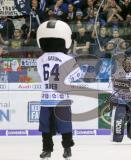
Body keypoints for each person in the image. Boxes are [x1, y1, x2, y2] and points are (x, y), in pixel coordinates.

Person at [36, 20, 75, 159]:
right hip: (62, 98)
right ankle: (67, 149)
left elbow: (41, 76)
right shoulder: (68, 59)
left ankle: (47, 150)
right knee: (65, 125)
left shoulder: (40, 59)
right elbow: (77, 75)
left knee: (45, 126)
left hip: (46, 98)